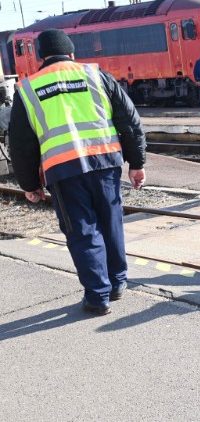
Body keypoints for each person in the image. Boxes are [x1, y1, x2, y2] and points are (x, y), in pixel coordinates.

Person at [8, 29, 147, 316]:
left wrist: (30, 184)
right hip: (105, 163)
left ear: (41, 58)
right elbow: (129, 121)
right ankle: (117, 283)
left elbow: (21, 143)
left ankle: (98, 296)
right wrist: (137, 163)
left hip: (63, 169)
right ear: (71, 53)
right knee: (111, 223)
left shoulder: (29, 88)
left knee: (82, 231)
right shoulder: (96, 75)